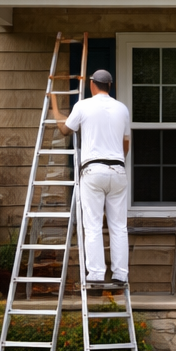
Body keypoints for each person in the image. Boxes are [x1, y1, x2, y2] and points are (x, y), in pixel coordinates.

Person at [50, 68, 132, 290]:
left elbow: (65, 130)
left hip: (93, 171)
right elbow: (126, 144)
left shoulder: (83, 106)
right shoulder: (122, 109)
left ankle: (96, 274)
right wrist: (115, 163)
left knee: (93, 224)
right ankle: (120, 274)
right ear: (110, 86)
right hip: (118, 170)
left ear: (92, 84)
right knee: (119, 226)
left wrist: (54, 105)